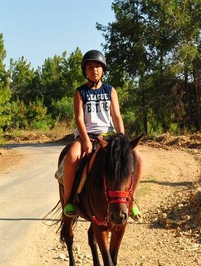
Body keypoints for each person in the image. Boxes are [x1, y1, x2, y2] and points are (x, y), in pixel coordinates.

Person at [59, 49, 143, 220]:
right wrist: (84, 140)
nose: (94, 70)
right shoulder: (80, 92)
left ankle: (131, 200)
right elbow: (79, 119)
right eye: (90, 67)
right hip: (88, 134)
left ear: (103, 69)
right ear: (85, 71)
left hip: (109, 135)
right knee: (72, 157)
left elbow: (117, 116)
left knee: (138, 159)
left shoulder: (110, 90)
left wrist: (123, 140)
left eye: (98, 66)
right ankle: (69, 200)